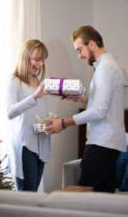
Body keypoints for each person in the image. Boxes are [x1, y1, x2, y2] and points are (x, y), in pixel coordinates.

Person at [46, 25, 126, 193]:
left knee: (84, 196)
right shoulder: (104, 68)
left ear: (91, 44)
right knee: (102, 199)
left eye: (79, 49)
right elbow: (102, 106)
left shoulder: (106, 69)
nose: (79, 55)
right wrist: (82, 99)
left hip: (102, 143)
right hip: (106, 142)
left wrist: (64, 122)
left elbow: (99, 111)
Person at [7, 39, 50, 191]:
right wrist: (35, 96)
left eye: (42, 60)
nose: (40, 64)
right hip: (26, 145)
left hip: (41, 143)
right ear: (25, 58)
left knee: (33, 192)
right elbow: (10, 112)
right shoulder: (15, 81)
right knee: (27, 196)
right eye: (36, 59)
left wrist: (51, 120)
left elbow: (37, 113)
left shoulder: (38, 82)